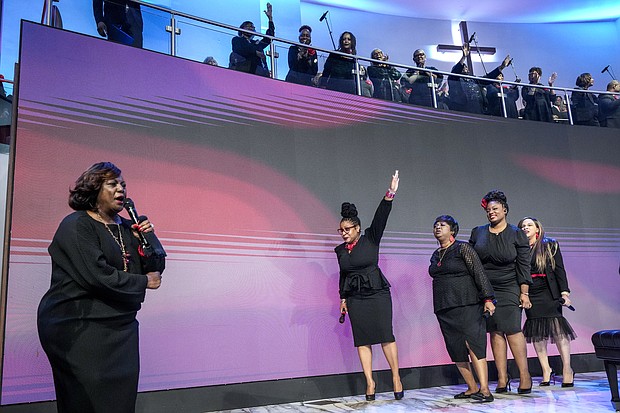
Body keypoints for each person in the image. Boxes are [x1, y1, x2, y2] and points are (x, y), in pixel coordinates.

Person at [37, 162, 164, 413]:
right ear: (95, 189)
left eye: (123, 185)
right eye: (113, 183)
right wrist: (143, 281)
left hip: (120, 327)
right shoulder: (76, 225)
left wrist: (147, 238)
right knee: (87, 401)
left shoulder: (128, 227)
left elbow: (156, 264)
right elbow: (97, 276)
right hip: (78, 325)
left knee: (120, 400)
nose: (121, 189)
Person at [336, 171, 404, 401]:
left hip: (377, 293)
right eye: (341, 230)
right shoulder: (340, 251)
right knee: (362, 339)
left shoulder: (370, 238)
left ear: (357, 228)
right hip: (355, 298)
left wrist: (390, 192)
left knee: (386, 334)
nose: (343, 234)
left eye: (347, 230)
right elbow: (343, 275)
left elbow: (381, 216)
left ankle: (396, 377)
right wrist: (343, 299)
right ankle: (370, 382)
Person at [469, 190, 532, 394]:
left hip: (510, 286)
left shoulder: (516, 233)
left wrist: (524, 292)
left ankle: (525, 376)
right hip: (486, 288)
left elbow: (524, 265)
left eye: (495, 209)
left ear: (505, 210)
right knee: (494, 330)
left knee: (512, 328)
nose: (491, 213)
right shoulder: (478, 232)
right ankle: (502, 378)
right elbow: (471, 261)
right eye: (488, 210)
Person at [429, 215, 496, 403]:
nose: (438, 227)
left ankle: (484, 390)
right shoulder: (436, 254)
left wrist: (488, 298)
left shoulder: (462, 248)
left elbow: (478, 272)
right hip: (444, 307)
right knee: (455, 347)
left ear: (453, 230)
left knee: (473, 343)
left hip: (467, 303)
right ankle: (471, 387)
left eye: (442, 225)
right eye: (435, 225)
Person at [518, 217, 576, 387]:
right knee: (536, 331)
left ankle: (567, 369)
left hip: (549, 292)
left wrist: (564, 293)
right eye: (522, 226)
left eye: (529, 225)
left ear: (537, 229)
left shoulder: (550, 245)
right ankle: (546, 370)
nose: (525, 228)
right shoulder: (519, 248)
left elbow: (560, 270)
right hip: (531, 293)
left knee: (558, 331)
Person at [448, 45, 512, 114]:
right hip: (462, 110)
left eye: (466, 66)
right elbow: (455, 72)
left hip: (478, 110)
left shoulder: (473, 79)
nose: (465, 67)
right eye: (463, 66)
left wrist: (502, 67)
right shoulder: (454, 79)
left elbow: (487, 79)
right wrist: (464, 57)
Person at [229, 3, 274, 77]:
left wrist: (270, 19)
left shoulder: (256, 43)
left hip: (258, 73)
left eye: (253, 27)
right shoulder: (237, 40)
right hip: (242, 73)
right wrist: (255, 52)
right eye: (248, 26)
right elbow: (240, 49)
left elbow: (269, 38)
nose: (251, 28)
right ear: (242, 29)